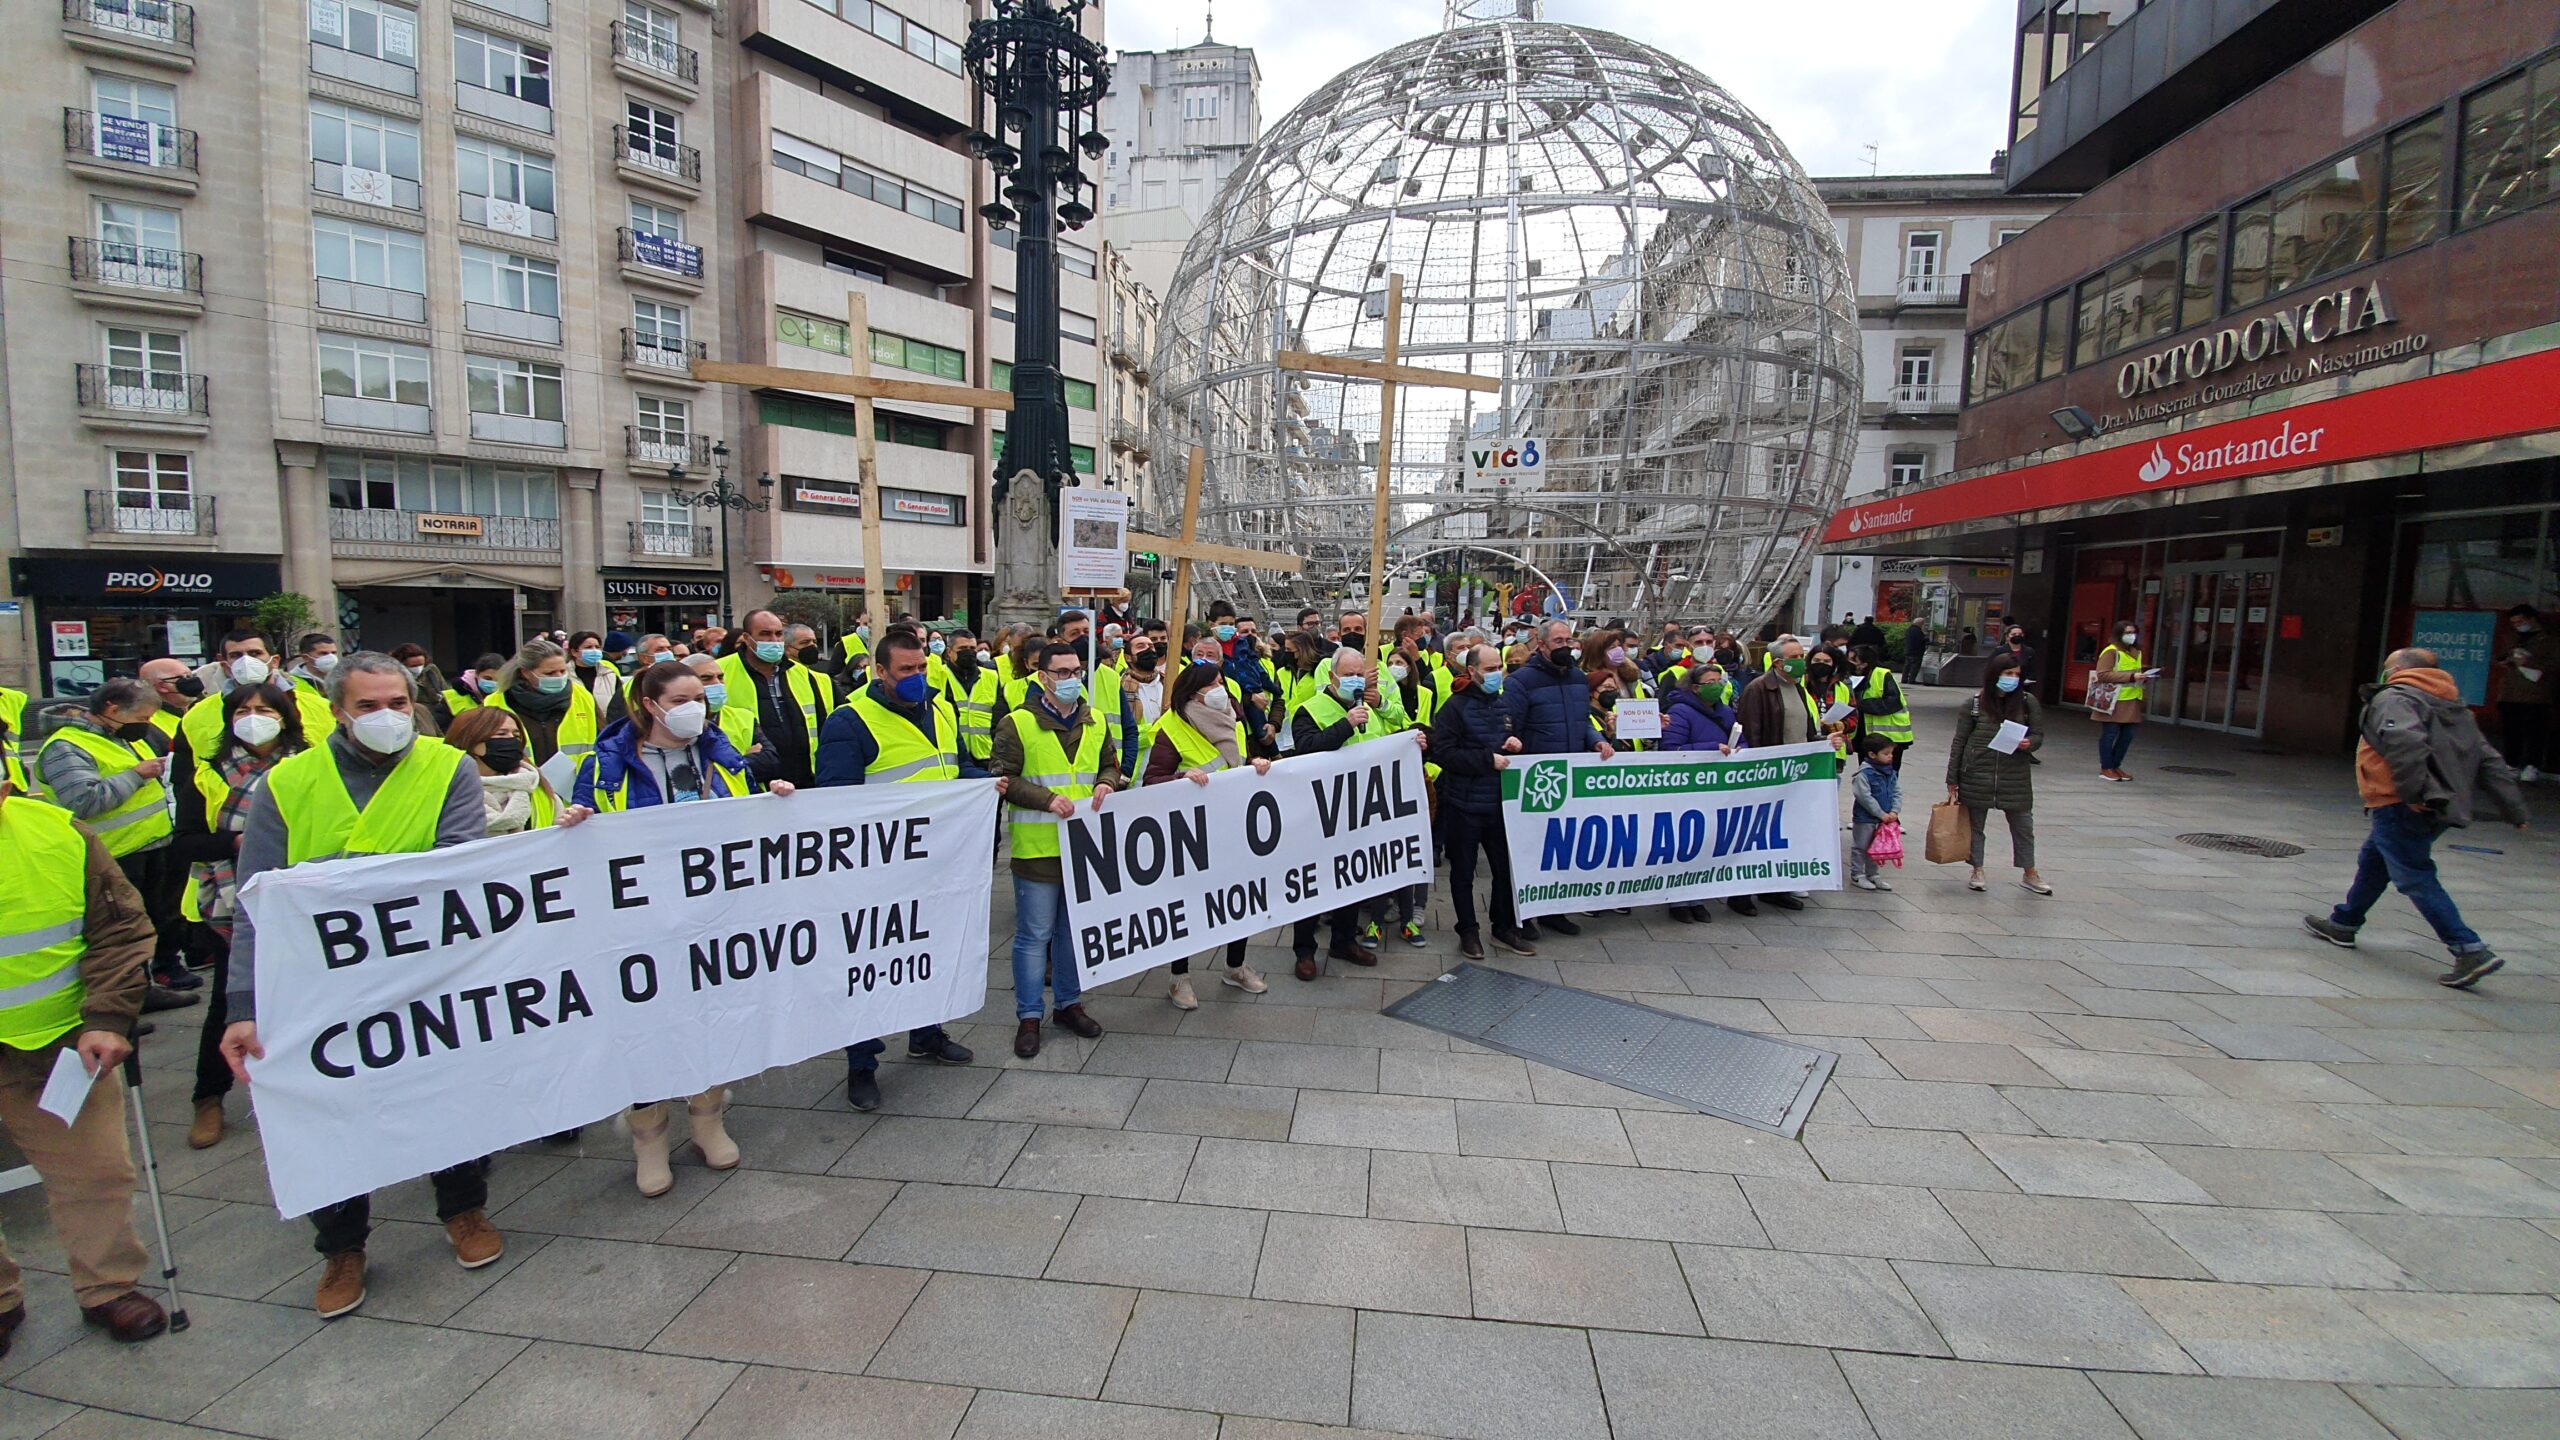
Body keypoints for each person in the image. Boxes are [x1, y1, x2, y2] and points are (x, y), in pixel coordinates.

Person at [219, 654, 501, 1318]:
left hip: (422, 970)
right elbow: (258, 900)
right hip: (317, 981)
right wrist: (243, 1004)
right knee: (329, 1111)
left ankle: (463, 1208)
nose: (387, 717)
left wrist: (336, 877)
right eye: (369, 706)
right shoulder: (286, 785)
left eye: (398, 704)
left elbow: (456, 870)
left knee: (443, 1092)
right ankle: (342, 1247)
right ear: (338, 712)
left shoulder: (447, 767)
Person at [568, 662, 778, 1192]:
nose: (697, 706)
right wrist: (571, 823)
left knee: (712, 1014)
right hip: (640, 919)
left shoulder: (723, 756)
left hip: (713, 912)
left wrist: (775, 801)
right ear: (649, 704)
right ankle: (650, 1137)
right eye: (683, 698)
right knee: (646, 1026)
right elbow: (583, 831)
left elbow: (748, 820)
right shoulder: (606, 763)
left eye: (701, 696)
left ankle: (708, 1120)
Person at [0, 785, 171, 1351]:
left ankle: (108, 1287)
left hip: (56, 1047)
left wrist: (106, 1017)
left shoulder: (59, 832)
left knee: (96, 1173)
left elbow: (119, 931)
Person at [813, 632, 979, 1108]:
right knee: (873, 965)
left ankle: (926, 1033)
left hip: (938, 861)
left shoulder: (941, 708)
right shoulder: (850, 720)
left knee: (929, 950)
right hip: (880, 868)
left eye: (922, 668)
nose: (917, 678)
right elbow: (835, 799)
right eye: (906, 671)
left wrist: (986, 784)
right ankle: (861, 1064)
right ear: (879, 672)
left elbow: (956, 766)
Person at [2304, 647, 2529, 989]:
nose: (2384, 672)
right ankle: (2344, 922)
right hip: (2435, 804)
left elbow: (2405, 744)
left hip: (2403, 802)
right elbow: (2488, 760)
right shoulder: (2453, 706)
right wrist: (2514, 809)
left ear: (2399, 669)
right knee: (2374, 861)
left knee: (2414, 874)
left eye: (2387, 667)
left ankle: (2468, 948)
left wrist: (2412, 794)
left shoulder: (2396, 698)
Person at [169, 682, 308, 1149]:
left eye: (265, 709)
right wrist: (238, 844)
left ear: (285, 716)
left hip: (303, 903)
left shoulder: (312, 764)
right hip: (234, 905)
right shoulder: (208, 772)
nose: (255, 717)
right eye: (244, 710)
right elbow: (184, 840)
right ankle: (208, 1097)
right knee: (230, 1004)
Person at [35, 679, 197, 1011]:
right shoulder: (65, 746)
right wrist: (137, 775)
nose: (147, 724)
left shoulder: (117, 736)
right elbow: (84, 801)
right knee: (121, 934)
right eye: (143, 717)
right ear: (112, 709)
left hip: (150, 846)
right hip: (114, 856)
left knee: (152, 921)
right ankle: (122, 1004)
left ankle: (146, 988)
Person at [992, 643, 1116, 1057]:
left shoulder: (1094, 719)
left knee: (1072, 932)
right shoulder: (1018, 723)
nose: (1070, 679)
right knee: (1033, 937)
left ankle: (1068, 1004)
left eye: (1076, 671)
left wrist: (1107, 783)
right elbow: (1003, 779)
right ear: (1042, 676)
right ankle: (1029, 1016)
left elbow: (1109, 764)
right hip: (1037, 849)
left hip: (1083, 847)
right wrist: (1045, 799)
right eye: (1061, 673)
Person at [1143, 655, 1275, 1006]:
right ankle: (1179, 977)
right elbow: (1151, 781)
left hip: (1234, 825)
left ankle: (1235, 966)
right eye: (1211, 685)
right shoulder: (1171, 727)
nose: (1220, 689)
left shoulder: (1233, 716)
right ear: (1192, 693)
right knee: (1187, 904)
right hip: (1191, 833)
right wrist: (1180, 778)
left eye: (1220, 682)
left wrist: (1255, 764)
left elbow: (1236, 763)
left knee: (1241, 899)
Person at [1288, 648, 1404, 978]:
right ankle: (1304, 950)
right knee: (1313, 883)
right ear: (1332, 677)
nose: (1355, 679)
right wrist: (1346, 724)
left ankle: (1343, 940)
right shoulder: (1309, 710)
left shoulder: (1370, 707)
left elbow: (1383, 743)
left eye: (1359, 673)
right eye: (1348, 674)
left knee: (1351, 878)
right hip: (1320, 810)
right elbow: (1306, 749)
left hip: (1359, 808)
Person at [1503, 619, 1610, 937]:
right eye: (1559, 641)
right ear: (1543, 646)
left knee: (1562, 848)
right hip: (1537, 778)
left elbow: (1582, 720)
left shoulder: (1578, 678)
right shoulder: (1521, 682)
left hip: (1572, 776)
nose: (1566, 645)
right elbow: (1512, 728)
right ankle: (1522, 915)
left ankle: (1554, 910)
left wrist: (1595, 739)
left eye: (1569, 640)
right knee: (1530, 849)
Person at [1429, 643, 1535, 959]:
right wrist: (1486, 759)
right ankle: (1468, 931)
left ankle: (1503, 927)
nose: (1495, 674)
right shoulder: (1454, 708)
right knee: (1463, 872)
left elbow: (1504, 741)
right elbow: (1445, 753)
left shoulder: (1502, 705)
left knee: (1504, 869)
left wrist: (1515, 745)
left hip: (1500, 803)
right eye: (1489, 669)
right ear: (1472, 671)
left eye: (1497, 667)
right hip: (1464, 804)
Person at [1946, 655, 2049, 896]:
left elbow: (2039, 734)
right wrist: (1952, 777)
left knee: (2023, 824)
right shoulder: (1973, 704)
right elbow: (1959, 741)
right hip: (1977, 772)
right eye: (2007, 674)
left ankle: (2029, 872)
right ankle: (1977, 869)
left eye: (2016, 675)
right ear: (1994, 675)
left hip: (2014, 775)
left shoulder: (2027, 702)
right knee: (1975, 825)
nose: (2012, 679)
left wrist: (2029, 743)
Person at [1659, 663, 1740, 924]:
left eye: (1719, 680)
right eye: (1709, 683)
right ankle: (1678, 900)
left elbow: (1740, 738)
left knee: (1706, 843)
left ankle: (1698, 897)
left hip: (1714, 788)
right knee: (1684, 844)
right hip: (1686, 788)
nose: (1716, 686)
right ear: (1695, 688)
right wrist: (1710, 748)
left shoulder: (1725, 711)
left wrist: (1742, 749)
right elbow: (1671, 749)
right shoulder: (1680, 711)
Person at [718, 610, 835, 791]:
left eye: (778, 634)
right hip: (753, 780)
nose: (774, 640)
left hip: (806, 779)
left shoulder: (801, 672)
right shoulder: (720, 672)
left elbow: (821, 723)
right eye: (765, 634)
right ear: (747, 639)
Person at [481, 638, 602, 777]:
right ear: (525, 673)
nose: (559, 677)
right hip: (520, 786)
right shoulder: (494, 703)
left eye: (563, 671)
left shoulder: (582, 696)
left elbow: (602, 741)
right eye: (549, 673)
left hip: (574, 788)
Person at [444, 706, 558, 835]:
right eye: (501, 734)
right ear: (471, 741)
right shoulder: (447, 792)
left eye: (516, 736)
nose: (511, 740)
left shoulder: (536, 788)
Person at [2497, 604, 2557, 782]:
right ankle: (2511, 763)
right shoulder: (2512, 637)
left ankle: (2533, 766)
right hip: (2510, 691)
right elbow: (2500, 657)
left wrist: (2529, 661)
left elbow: (2554, 665)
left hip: (2537, 693)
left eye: (2520, 621)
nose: (2517, 625)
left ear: (2532, 619)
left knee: (2535, 731)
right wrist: (2506, 660)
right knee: (2511, 730)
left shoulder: (2550, 640)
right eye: (2514, 623)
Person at [2092, 620, 2152, 781]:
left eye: (2133, 632)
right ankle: (2106, 767)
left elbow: (2134, 671)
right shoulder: (2111, 651)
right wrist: (2131, 677)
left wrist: (2143, 676)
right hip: (2113, 699)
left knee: (2128, 734)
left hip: (2132, 699)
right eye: (2127, 633)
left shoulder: (2136, 652)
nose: (2131, 636)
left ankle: (2115, 765)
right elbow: (2103, 674)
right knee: (2110, 734)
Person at [1848, 733, 1901, 892]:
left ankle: (1873, 874)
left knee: (1876, 847)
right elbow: (1864, 797)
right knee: (1861, 846)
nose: (1890, 757)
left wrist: (1894, 811)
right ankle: (1857, 873)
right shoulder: (1864, 774)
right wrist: (1880, 813)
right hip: (1865, 819)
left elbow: (1897, 792)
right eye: (1886, 754)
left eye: (1891, 753)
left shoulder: (1890, 772)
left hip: (1883, 818)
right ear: (1872, 754)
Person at [1850, 644, 1912, 765]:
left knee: (1888, 776)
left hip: (1889, 738)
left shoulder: (1881, 675)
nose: (1849, 662)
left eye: (1853, 660)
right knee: (1866, 773)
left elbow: (1892, 702)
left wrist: (1859, 704)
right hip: (1865, 737)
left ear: (1864, 664)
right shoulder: (1850, 677)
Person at [1902, 616, 1931, 683]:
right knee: (1915, 666)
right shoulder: (1917, 631)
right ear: (1920, 623)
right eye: (1922, 624)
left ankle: (1904, 679)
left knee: (1907, 666)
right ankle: (1911, 679)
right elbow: (1921, 640)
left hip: (1908, 650)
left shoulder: (1909, 629)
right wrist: (1927, 640)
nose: (1923, 625)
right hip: (1916, 651)